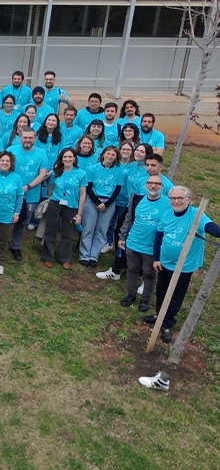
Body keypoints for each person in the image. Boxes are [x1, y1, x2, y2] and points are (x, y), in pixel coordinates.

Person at [146, 186, 220, 343]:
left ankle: (167, 324)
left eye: (180, 198)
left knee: (175, 295)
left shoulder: (197, 215)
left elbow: (211, 228)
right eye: (173, 198)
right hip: (164, 263)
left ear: (189, 199)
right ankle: (159, 316)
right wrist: (157, 258)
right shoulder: (167, 215)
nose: (176, 201)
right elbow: (159, 237)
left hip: (183, 266)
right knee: (161, 291)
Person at [117, 175, 171, 313]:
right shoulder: (137, 200)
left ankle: (145, 300)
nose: (153, 186)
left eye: (157, 184)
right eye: (150, 183)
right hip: (133, 243)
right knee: (132, 270)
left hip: (152, 248)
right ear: (146, 185)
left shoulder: (168, 204)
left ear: (162, 187)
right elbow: (128, 219)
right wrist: (122, 237)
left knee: (149, 274)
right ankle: (131, 295)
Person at [40, 148, 87, 270]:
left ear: (74, 159)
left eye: (70, 157)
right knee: (51, 230)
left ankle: (65, 258)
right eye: (65, 157)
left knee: (67, 232)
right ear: (61, 159)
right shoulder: (56, 172)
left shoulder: (81, 174)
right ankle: (48, 256)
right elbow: (51, 188)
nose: (67, 159)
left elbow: (82, 194)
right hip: (55, 203)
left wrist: (79, 213)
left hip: (71, 206)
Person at [79, 146, 123, 268]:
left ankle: (94, 256)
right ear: (103, 155)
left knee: (102, 230)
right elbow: (88, 187)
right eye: (108, 154)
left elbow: (117, 190)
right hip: (93, 201)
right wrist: (98, 202)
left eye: (113, 155)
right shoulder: (93, 168)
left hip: (108, 203)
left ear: (116, 158)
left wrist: (106, 204)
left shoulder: (119, 172)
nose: (110, 156)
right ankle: (84, 255)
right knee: (88, 228)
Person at [7, 128, 48, 260]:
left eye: (30, 138)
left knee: (23, 221)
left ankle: (16, 246)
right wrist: (17, 188)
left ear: (34, 138)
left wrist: (28, 187)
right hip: (11, 192)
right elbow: (5, 169)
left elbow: (43, 174)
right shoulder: (11, 151)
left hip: (31, 194)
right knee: (7, 219)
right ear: (20, 137)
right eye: (25, 137)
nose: (27, 140)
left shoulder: (41, 154)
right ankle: (2, 243)